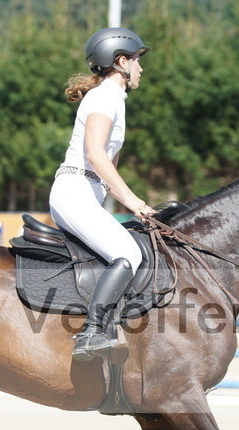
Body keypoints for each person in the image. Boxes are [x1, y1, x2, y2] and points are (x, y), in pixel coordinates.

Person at [49, 27, 154, 361]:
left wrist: (143, 210)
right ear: (121, 61)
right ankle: (91, 332)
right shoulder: (105, 97)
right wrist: (134, 202)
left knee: (131, 245)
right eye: (137, 60)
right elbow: (95, 154)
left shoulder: (115, 100)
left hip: (84, 193)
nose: (141, 68)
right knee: (128, 253)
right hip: (74, 191)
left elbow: (109, 174)